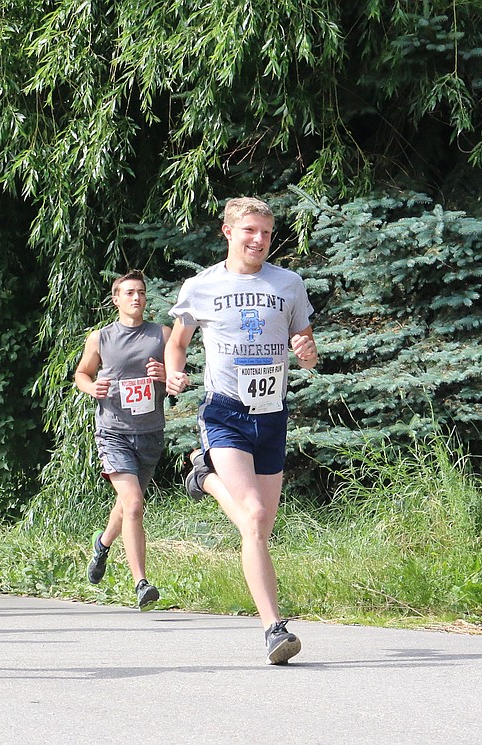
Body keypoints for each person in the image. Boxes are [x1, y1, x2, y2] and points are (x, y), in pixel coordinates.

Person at [164, 197, 318, 665]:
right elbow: (177, 343)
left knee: (261, 528)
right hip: (225, 411)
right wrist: (174, 374)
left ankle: (204, 479)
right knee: (252, 516)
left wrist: (306, 351)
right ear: (228, 232)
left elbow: (307, 346)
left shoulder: (287, 284)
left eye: (267, 234)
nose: (259, 241)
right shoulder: (202, 286)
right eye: (250, 231)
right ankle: (274, 628)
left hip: (272, 415)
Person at [75, 270, 170, 608]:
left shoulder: (162, 334)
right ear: (116, 298)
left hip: (149, 434)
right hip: (113, 431)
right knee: (133, 504)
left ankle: (101, 545)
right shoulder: (100, 338)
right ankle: (141, 582)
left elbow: (178, 377)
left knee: (126, 505)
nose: (136, 298)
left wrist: (167, 375)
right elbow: (81, 374)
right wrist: (92, 387)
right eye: (129, 292)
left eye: (141, 292)